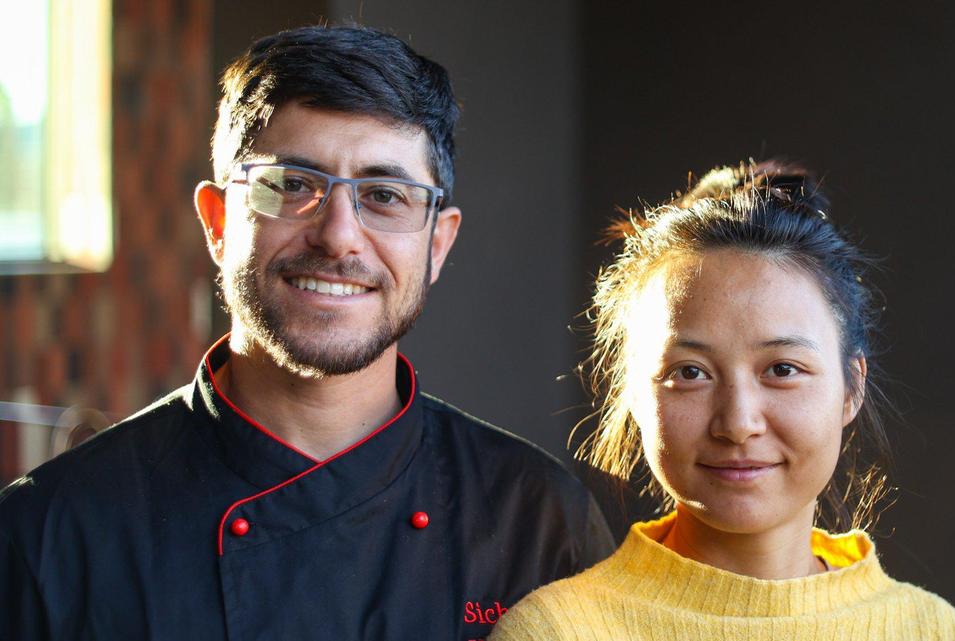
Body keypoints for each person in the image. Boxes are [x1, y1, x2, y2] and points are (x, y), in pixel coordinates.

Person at [0, 25, 613, 640]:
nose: (338, 235)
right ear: (218, 223)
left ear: (437, 244)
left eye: (384, 195)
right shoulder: (46, 534)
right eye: (292, 184)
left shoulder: (541, 521)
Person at [490, 160, 955, 640]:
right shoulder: (558, 631)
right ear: (634, 392)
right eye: (690, 372)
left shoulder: (930, 632)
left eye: (782, 369)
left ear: (851, 387)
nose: (738, 423)